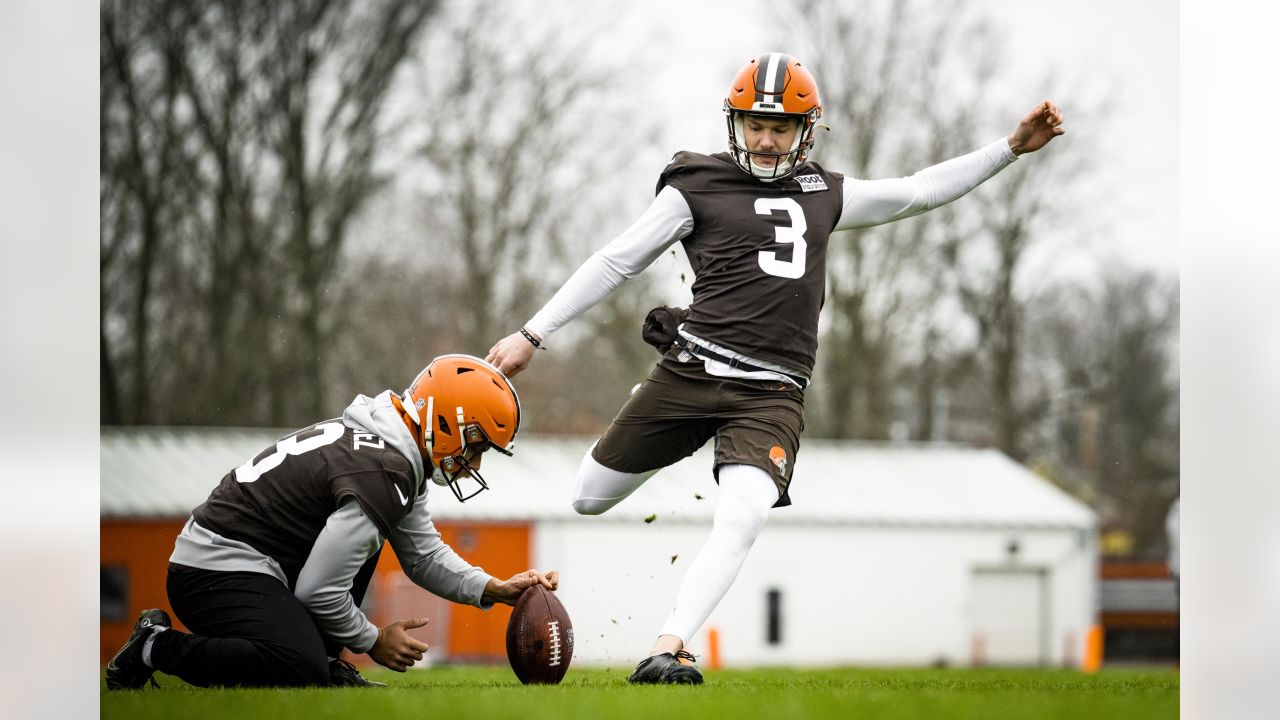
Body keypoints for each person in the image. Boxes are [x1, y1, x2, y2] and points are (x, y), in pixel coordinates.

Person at [487, 52, 1064, 685]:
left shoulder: (825, 193)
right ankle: (675, 424)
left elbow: (920, 190)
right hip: (691, 374)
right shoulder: (696, 187)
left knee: (744, 515)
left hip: (771, 396)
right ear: (735, 123)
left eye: (781, 127)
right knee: (587, 499)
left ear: (806, 130)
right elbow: (615, 260)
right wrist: (533, 333)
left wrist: (1010, 148)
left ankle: (667, 646)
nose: (767, 138)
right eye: (756, 123)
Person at [106, 354, 559, 690]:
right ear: (444, 419)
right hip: (214, 571)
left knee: (362, 546)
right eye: (475, 443)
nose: (474, 460)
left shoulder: (396, 455)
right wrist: (372, 639)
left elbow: (422, 554)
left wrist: (493, 588)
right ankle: (155, 645)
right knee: (294, 666)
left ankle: (323, 664)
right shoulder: (386, 468)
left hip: (246, 564)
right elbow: (318, 589)